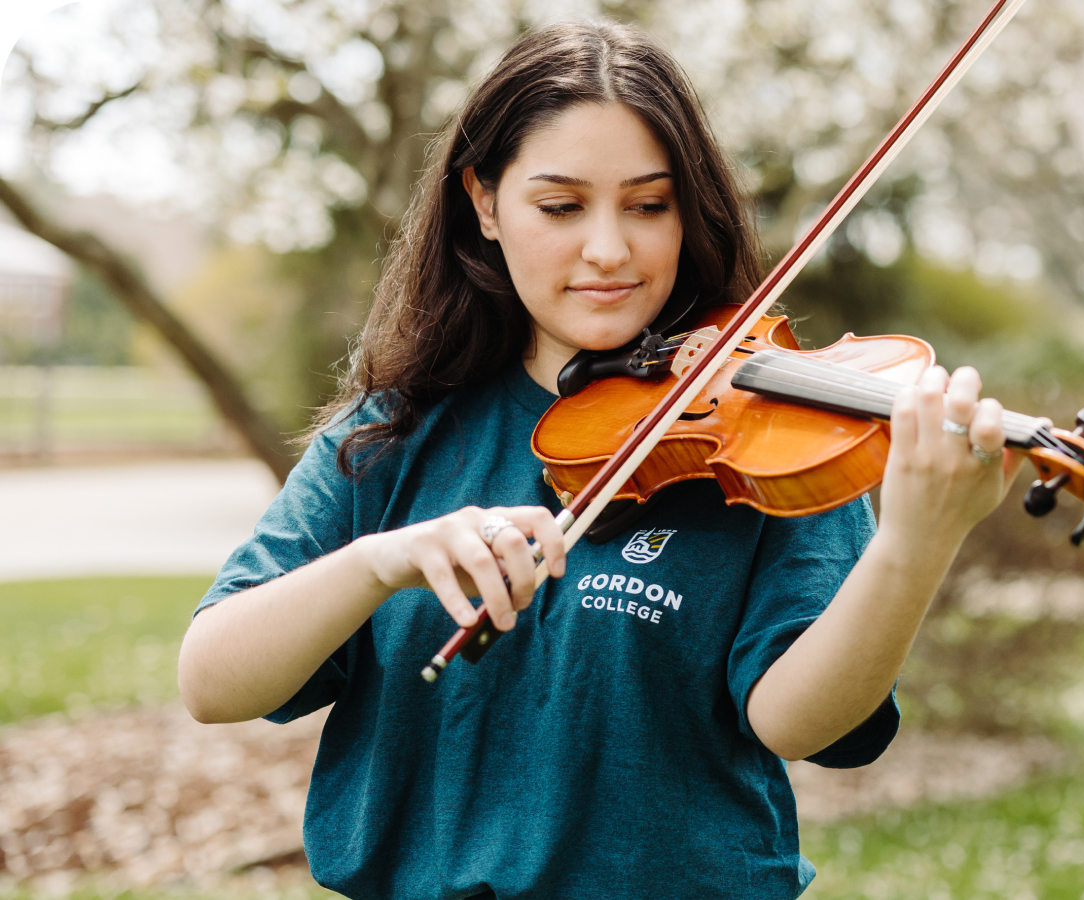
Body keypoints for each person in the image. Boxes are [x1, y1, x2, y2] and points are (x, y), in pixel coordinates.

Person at [176, 20, 1020, 900]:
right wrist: (382, 561)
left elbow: (797, 722)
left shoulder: (769, 430)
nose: (610, 250)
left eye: (649, 206)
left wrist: (915, 547)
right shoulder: (390, 435)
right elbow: (212, 679)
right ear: (486, 202)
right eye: (562, 206)